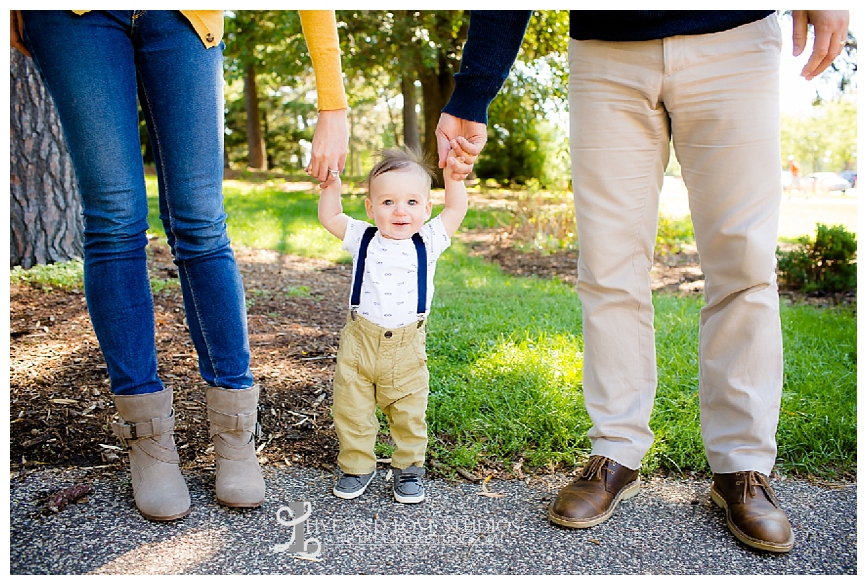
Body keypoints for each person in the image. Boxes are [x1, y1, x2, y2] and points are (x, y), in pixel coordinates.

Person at [436, 10, 849, 553]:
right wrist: (473, 90)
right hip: (606, 49)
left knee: (744, 267)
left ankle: (742, 469)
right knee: (609, 267)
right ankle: (616, 450)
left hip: (733, 38)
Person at [10, 10, 348, 521]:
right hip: (73, 18)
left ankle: (236, 434)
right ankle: (147, 440)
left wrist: (333, 102)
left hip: (185, 15)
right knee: (114, 218)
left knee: (201, 221)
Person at [317, 147, 468, 503]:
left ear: (426, 209)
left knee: (408, 412)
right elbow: (331, 216)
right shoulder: (363, 238)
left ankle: (409, 467)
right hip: (359, 342)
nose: (400, 210)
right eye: (388, 202)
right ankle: (357, 466)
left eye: (412, 202)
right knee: (351, 410)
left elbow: (456, 208)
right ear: (371, 208)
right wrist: (330, 184)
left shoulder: (428, 241)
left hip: (406, 346)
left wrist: (454, 179)